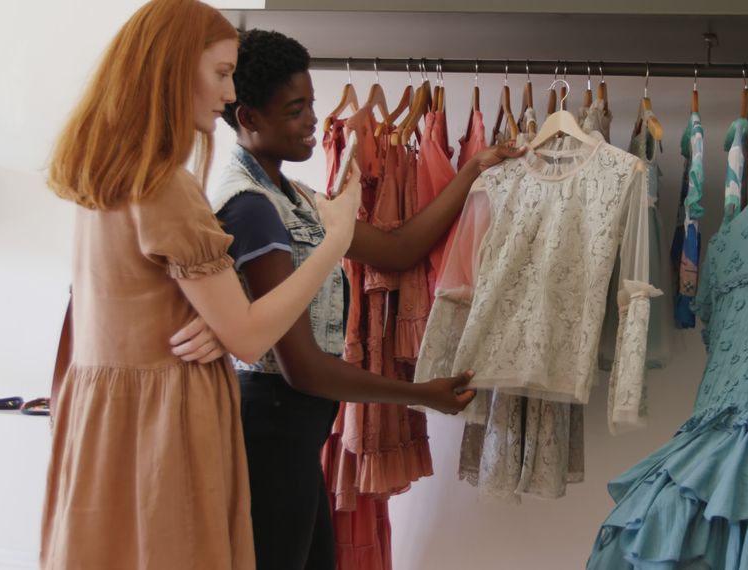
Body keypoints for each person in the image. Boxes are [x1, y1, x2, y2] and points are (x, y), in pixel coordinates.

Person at [40, 2, 363, 568]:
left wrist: (219, 318)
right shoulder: (165, 185)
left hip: (105, 418)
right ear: (170, 69)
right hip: (160, 421)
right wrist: (336, 241)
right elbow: (249, 337)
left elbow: (142, 300)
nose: (230, 91)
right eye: (220, 73)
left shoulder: (109, 172)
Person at [212, 29, 523, 569]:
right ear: (249, 118)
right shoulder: (251, 206)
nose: (313, 119)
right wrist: (420, 394)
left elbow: (399, 248)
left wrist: (475, 167)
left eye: (311, 103)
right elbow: (303, 368)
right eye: (295, 109)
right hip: (270, 430)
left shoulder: (299, 198)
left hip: (293, 434)